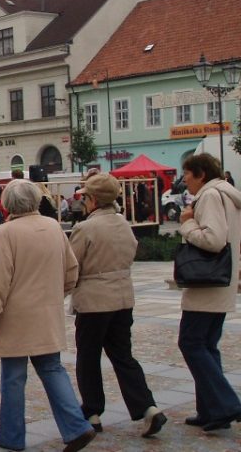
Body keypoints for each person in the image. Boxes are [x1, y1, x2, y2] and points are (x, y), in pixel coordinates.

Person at [0, 179, 96, 452]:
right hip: (47, 313)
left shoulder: (6, 234)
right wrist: (55, 294)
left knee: (14, 377)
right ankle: (77, 426)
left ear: (7, 204)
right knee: (53, 369)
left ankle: (12, 436)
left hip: (15, 318)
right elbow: (71, 272)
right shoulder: (54, 228)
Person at [70, 173, 166, 437]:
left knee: (88, 357)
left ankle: (92, 412)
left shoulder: (86, 228)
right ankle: (148, 407)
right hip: (122, 298)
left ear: (92, 200)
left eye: (85, 198)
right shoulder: (123, 224)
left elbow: (71, 264)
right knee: (123, 355)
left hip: (93, 300)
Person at [176, 153, 241, 431]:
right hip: (220, 282)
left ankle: (226, 404)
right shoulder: (228, 194)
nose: (184, 180)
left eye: (187, 174)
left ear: (201, 173)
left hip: (207, 284)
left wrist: (187, 222)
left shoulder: (211, 196)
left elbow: (214, 240)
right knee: (206, 345)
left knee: (191, 343)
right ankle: (211, 409)